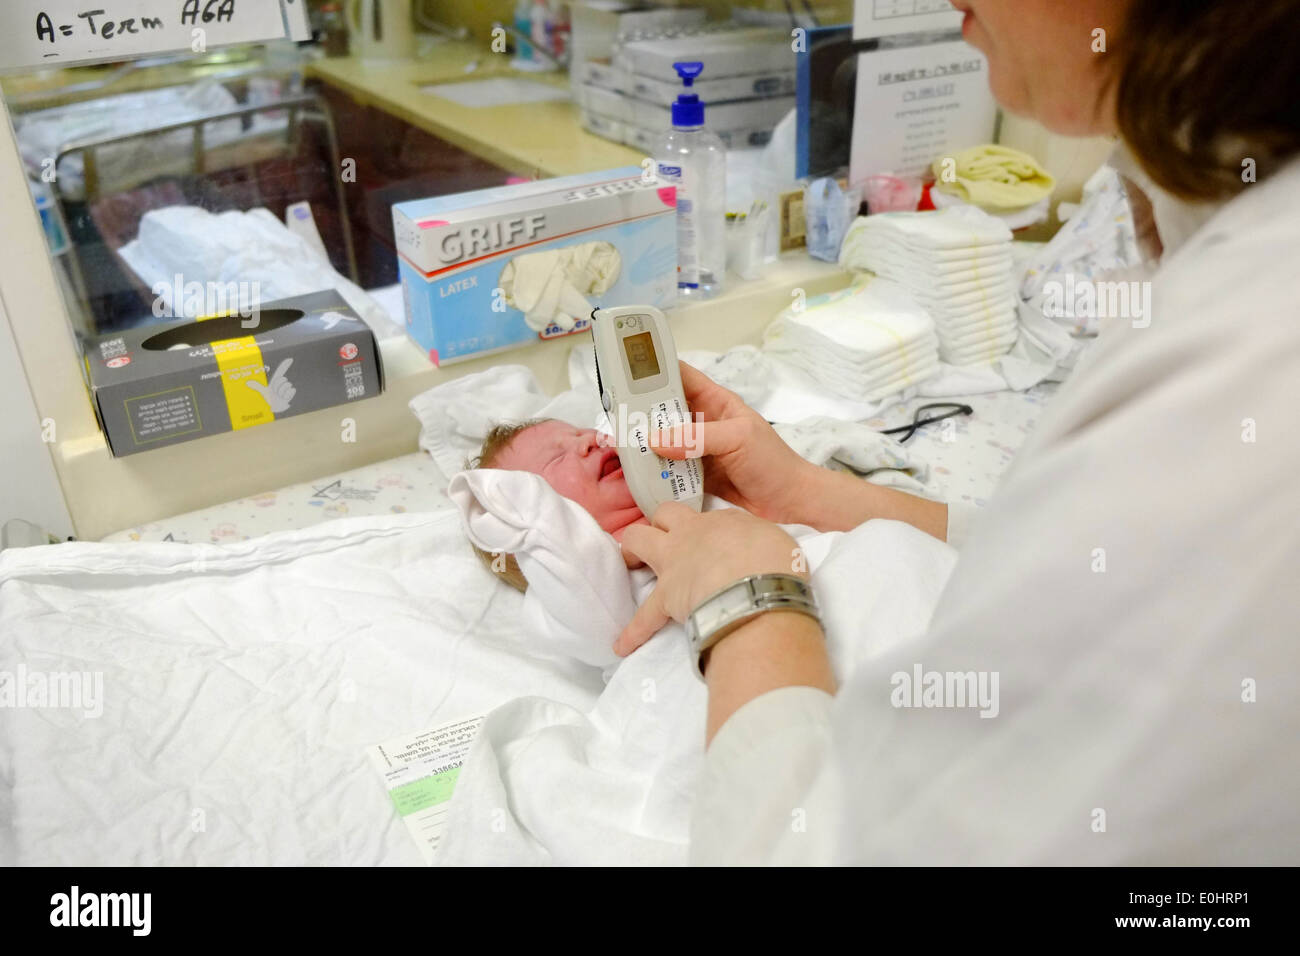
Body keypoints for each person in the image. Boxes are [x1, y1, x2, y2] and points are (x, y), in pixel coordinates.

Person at [615, 0, 1300, 864]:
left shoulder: (1250, 370)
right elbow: (1095, 566)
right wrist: (818, 499)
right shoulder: (1222, 214)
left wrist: (747, 596)